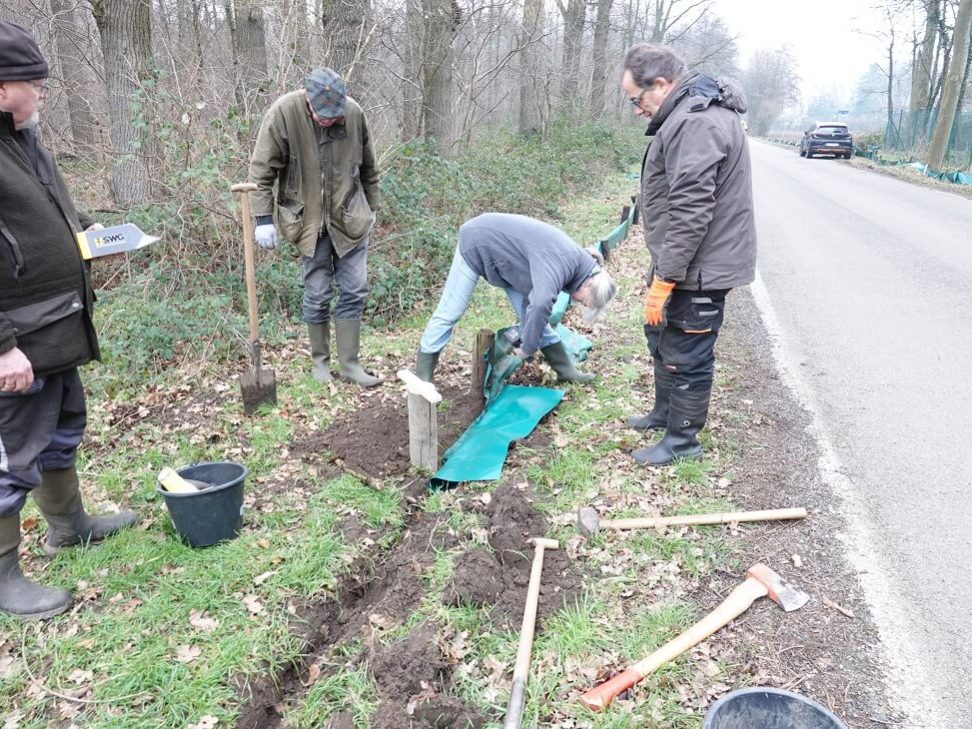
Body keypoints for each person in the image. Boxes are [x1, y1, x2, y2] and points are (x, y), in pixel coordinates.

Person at [0, 21, 137, 620]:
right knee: (11, 454)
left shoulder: (23, 140)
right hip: (16, 340)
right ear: (2, 88)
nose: (44, 94)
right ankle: (4, 576)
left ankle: (68, 526)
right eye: (36, 84)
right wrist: (2, 347)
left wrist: (91, 234)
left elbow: (48, 217)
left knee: (61, 427)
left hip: (56, 324)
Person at [620, 44, 756, 466]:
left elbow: (691, 210)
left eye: (636, 99)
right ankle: (664, 414)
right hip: (682, 260)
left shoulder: (695, 121)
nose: (637, 110)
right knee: (660, 334)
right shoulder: (684, 114)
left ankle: (682, 441)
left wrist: (665, 279)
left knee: (688, 352)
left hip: (700, 268)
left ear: (661, 84)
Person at [249, 67, 381, 387]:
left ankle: (350, 365)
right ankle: (320, 364)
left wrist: (372, 208)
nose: (330, 121)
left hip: (350, 219)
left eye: (335, 116)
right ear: (308, 101)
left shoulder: (354, 114)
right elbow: (261, 172)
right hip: (307, 222)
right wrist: (262, 219)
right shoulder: (284, 113)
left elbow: (369, 169)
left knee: (355, 289)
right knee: (318, 293)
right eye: (324, 116)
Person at [415, 213, 618, 384]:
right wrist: (527, 348)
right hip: (479, 240)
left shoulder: (580, 264)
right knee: (451, 311)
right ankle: (423, 378)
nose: (577, 301)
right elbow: (540, 304)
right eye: (583, 301)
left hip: (511, 260)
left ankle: (566, 371)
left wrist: (529, 339)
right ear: (588, 284)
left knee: (536, 318)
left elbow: (538, 312)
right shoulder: (562, 262)